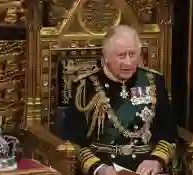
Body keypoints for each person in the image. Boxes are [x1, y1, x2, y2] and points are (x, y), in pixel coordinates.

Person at [61, 25, 178, 175]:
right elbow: (73, 139)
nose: (128, 63)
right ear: (106, 57)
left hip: (146, 167)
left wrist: (157, 160)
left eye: (132, 54)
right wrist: (97, 168)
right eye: (121, 55)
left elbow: (169, 132)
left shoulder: (153, 81)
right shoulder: (85, 86)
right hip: (104, 166)